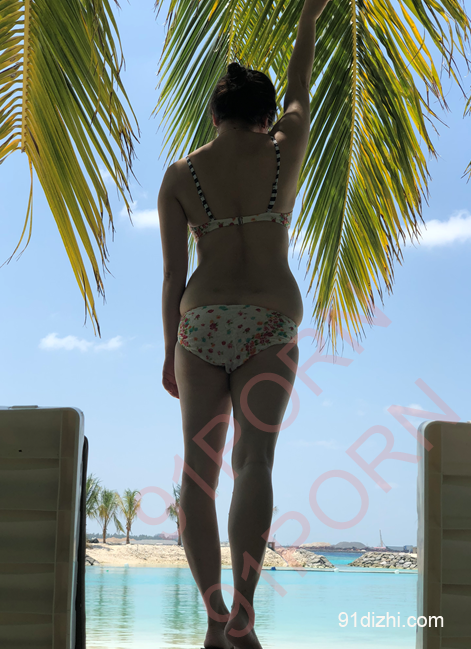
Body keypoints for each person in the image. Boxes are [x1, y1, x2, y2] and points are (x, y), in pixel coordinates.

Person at [158, 1, 332, 646]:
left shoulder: (181, 175)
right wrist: (308, 18)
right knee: (254, 461)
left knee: (197, 474)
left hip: (200, 326)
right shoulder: (285, 149)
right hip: (269, 319)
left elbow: (172, 277)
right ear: (265, 117)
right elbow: (300, 87)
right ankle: (244, 615)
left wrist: (168, 352)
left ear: (214, 115)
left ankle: (210, 619)